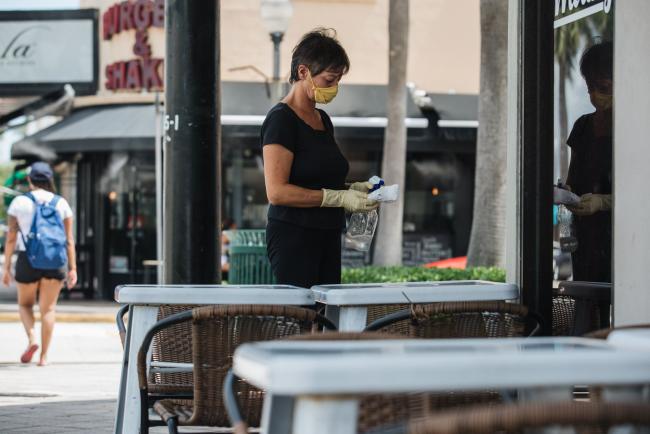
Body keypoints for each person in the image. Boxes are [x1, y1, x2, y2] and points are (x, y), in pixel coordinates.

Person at [261, 28, 378, 288]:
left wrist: (355, 190)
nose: (334, 87)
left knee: (326, 316)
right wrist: (338, 198)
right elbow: (277, 192)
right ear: (303, 73)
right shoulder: (281, 120)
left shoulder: (322, 119)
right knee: (303, 317)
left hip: (327, 233)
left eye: (338, 80)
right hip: (293, 234)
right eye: (329, 79)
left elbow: (319, 179)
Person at [2, 162, 77, 366]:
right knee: (48, 309)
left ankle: (32, 338)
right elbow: (69, 239)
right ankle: (43, 357)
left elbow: (10, 238)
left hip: (28, 259)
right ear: (50, 179)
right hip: (55, 260)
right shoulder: (61, 203)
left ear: (30, 180)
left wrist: (7, 267)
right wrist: (73, 268)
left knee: (25, 304)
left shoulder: (19, 202)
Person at [565, 41, 613, 282]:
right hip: (584, 235)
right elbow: (572, 178)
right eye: (589, 88)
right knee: (586, 299)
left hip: (619, 238)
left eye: (602, 87)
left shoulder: (636, 127)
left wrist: (604, 202)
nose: (594, 96)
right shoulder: (582, 127)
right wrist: (567, 194)